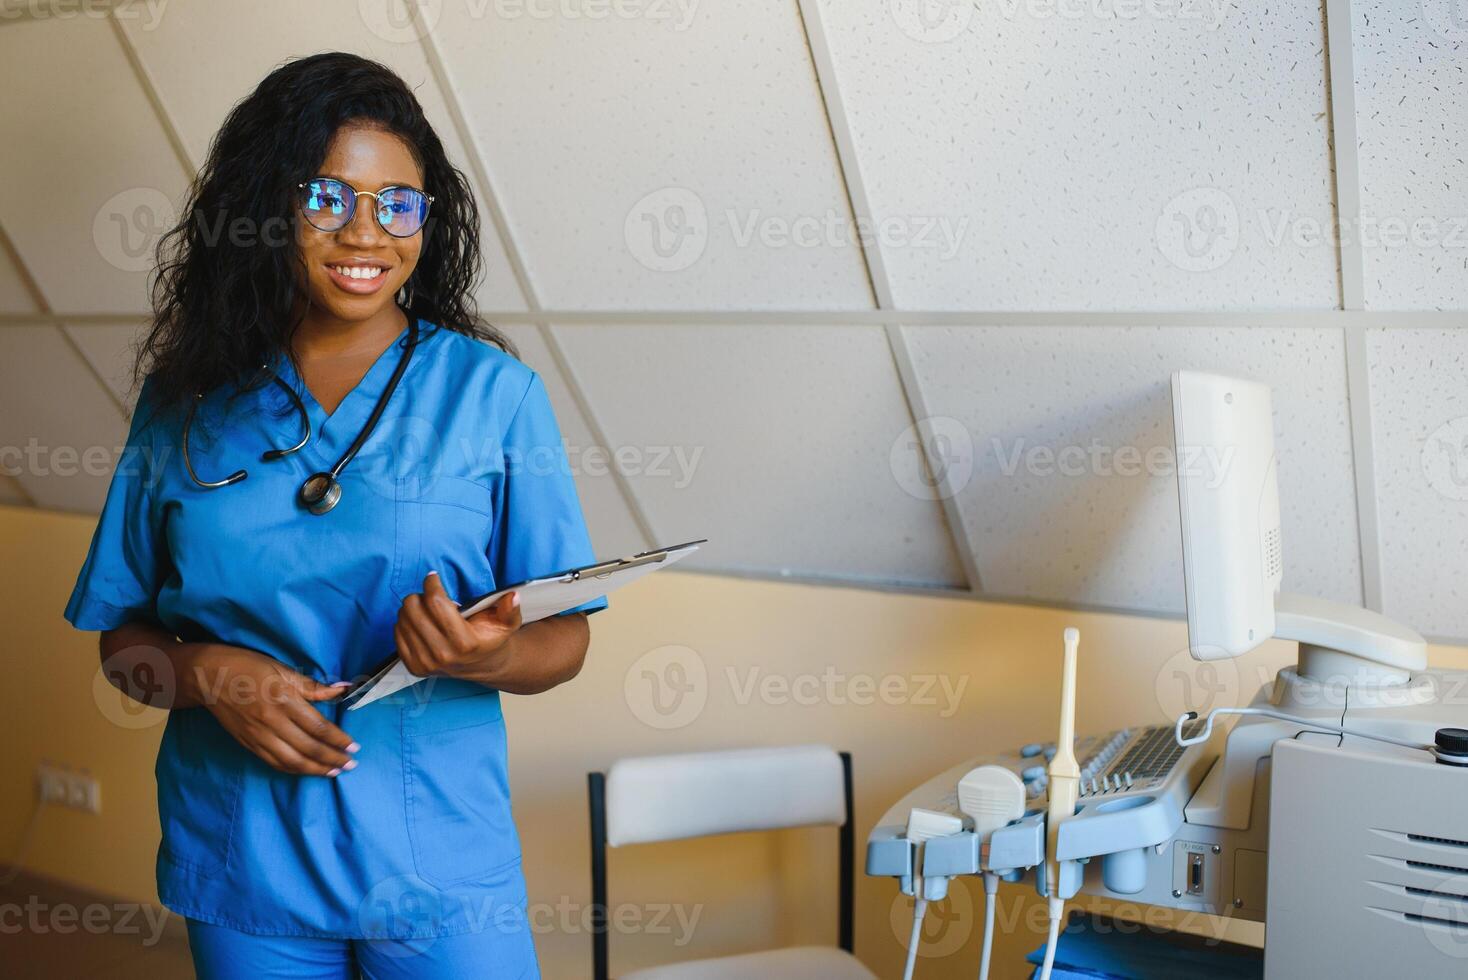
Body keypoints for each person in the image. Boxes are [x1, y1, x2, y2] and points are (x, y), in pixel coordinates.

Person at [63, 52, 603, 979]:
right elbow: (125, 648)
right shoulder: (185, 401)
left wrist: (494, 654)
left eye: (399, 203)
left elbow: (566, 644)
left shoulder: (495, 395)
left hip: (436, 860)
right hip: (246, 860)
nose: (367, 232)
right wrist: (209, 674)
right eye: (328, 197)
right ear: (270, 206)